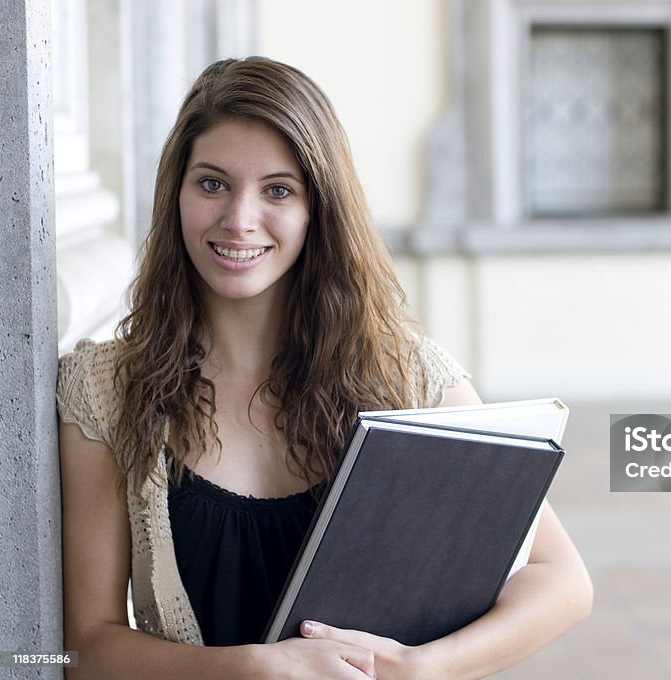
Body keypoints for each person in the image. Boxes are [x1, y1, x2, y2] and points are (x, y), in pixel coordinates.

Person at [57, 56, 592, 680]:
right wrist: (254, 668)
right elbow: (82, 649)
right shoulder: (104, 390)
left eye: (278, 190)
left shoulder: (406, 376)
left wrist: (422, 668)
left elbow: (563, 580)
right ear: (175, 193)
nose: (239, 219)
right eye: (212, 184)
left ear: (320, 210)